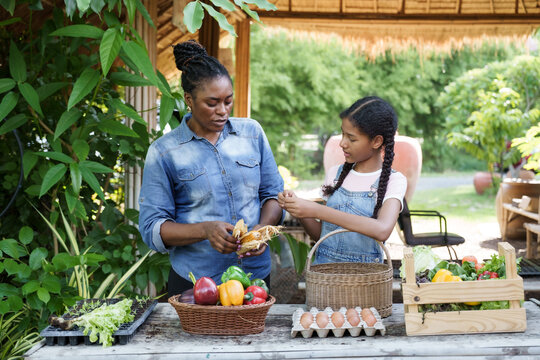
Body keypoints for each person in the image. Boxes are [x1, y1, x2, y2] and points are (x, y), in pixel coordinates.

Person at [139, 40, 284, 297]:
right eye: (212, 103)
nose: (222, 111)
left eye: (228, 101)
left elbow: (273, 195)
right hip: (196, 283)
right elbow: (152, 228)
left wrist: (261, 230)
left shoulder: (252, 134)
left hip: (254, 281)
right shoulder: (164, 152)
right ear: (188, 100)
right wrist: (205, 230)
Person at [278, 96, 406, 264]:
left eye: (351, 138)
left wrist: (317, 211)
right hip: (324, 279)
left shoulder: (394, 180)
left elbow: (382, 230)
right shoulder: (335, 174)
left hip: (366, 282)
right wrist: (299, 209)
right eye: (342, 134)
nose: (342, 143)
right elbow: (321, 236)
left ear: (376, 141)